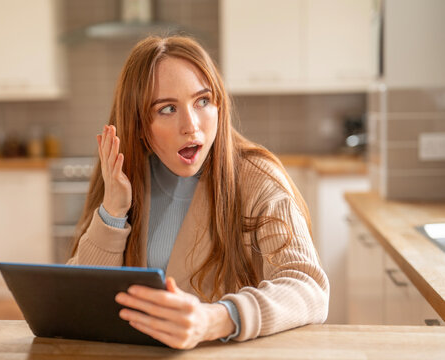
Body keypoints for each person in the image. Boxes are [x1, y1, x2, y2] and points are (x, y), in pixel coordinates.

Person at [67, 35, 329, 349]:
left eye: (202, 101)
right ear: (138, 124)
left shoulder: (257, 178)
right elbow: (83, 301)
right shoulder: (124, 176)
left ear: (219, 105)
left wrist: (214, 319)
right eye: (167, 109)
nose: (191, 126)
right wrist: (112, 212)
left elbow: (308, 287)